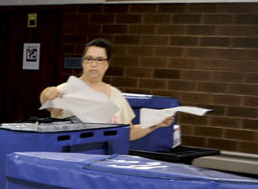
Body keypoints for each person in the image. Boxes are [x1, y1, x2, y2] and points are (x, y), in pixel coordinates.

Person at [38, 37, 173, 142]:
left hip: (105, 156)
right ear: (83, 62)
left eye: (99, 59)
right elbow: (49, 105)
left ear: (107, 64)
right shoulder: (67, 89)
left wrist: (156, 124)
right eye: (89, 59)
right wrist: (46, 93)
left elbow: (128, 133)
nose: (94, 64)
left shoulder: (115, 94)